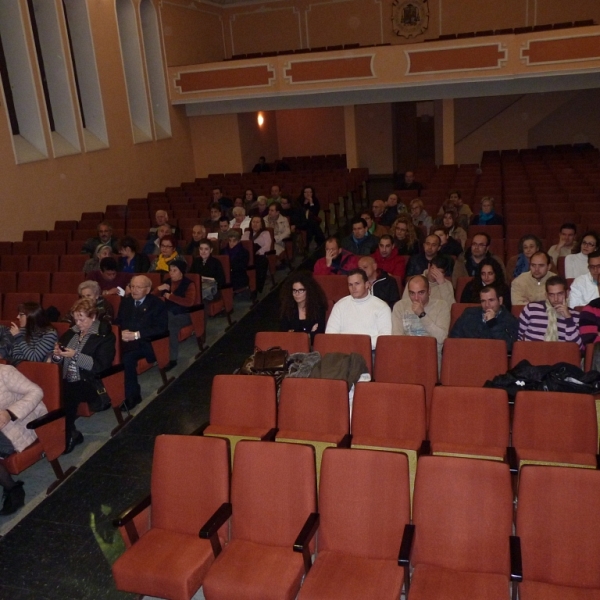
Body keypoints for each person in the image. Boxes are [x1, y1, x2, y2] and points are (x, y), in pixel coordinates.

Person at [52, 298, 116, 453]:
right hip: (68, 378)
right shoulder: (71, 332)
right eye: (75, 319)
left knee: (69, 391)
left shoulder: (104, 335)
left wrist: (75, 355)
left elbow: (101, 366)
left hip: (91, 381)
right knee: (52, 389)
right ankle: (65, 432)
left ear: (93, 317)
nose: (78, 323)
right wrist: (58, 355)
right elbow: (58, 359)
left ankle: (67, 435)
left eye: (82, 319)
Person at [116, 275, 168, 411]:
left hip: (147, 343)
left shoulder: (157, 304)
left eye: (138, 287)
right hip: (125, 340)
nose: (134, 290)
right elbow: (118, 322)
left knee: (126, 358)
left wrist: (136, 335)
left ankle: (133, 396)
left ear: (148, 289)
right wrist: (119, 333)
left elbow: (161, 328)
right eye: (132, 286)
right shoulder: (126, 302)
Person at [0, 364, 45, 515]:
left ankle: (11, 488)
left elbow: (36, 391)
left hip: (14, 426)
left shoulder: (5, 372)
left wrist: (9, 413)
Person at [325, 269, 391, 350]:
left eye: (357, 284)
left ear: (367, 284)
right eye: (350, 284)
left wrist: (358, 344)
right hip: (343, 350)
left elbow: (384, 337)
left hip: (370, 351)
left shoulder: (381, 307)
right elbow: (330, 334)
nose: (354, 288)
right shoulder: (340, 305)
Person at [392, 274, 451, 364]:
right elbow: (397, 339)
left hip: (431, 357)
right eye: (412, 293)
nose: (416, 298)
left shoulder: (441, 306)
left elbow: (441, 338)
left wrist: (422, 315)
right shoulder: (400, 306)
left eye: (421, 293)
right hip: (406, 356)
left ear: (429, 291)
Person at [450, 284, 519, 352]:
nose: (487, 305)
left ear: (500, 300)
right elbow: (453, 339)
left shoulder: (510, 320)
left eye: (491, 300)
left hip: (492, 359)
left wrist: (492, 323)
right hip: (466, 355)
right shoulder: (469, 314)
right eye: (483, 301)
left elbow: (509, 347)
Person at [154, 259, 196, 370]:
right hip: (168, 312)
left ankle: (172, 359)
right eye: (170, 270)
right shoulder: (167, 282)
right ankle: (156, 354)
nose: (171, 273)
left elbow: (189, 302)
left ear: (181, 272)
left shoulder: (189, 284)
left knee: (171, 325)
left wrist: (171, 297)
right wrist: (158, 289)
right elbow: (151, 298)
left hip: (184, 314)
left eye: (174, 270)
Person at [517, 276, 582, 348]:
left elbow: (577, 347)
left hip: (561, 356)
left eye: (560, 294)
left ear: (567, 293)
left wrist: (568, 319)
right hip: (532, 354)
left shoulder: (576, 316)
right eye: (551, 295)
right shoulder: (531, 309)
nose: (556, 299)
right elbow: (517, 335)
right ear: (546, 295)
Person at [280, 271, 328, 342]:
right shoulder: (288, 309)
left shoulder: (318, 309)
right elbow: (284, 335)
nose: (297, 294)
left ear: (308, 291)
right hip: (292, 347)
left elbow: (318, 335)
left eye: (301, 290)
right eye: (294, 290)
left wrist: (295, 333)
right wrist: (309, 333)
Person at [243, 215, 270, 295]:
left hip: (258, 255)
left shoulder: (265, 233)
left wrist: (258, 252)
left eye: (257, 222)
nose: (255, 224)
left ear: (261, 224)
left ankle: (257, 288)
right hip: (247, 255)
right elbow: (242, 244)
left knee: (263, 261)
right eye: (253, 222)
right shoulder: (247, 233)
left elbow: (267, 246)